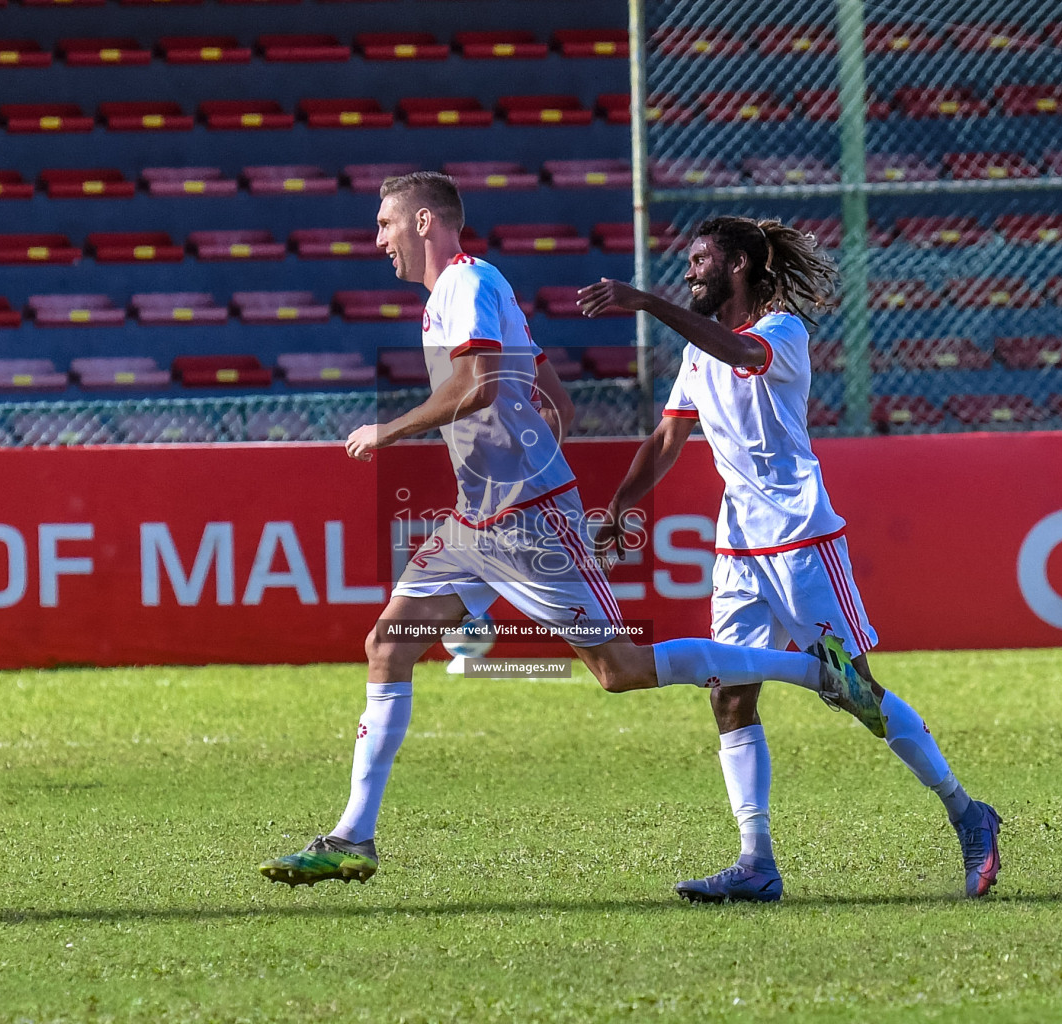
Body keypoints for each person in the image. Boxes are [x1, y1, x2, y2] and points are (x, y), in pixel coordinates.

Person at [260, 175, 881, 891]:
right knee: (388, 642)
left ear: (424, 221)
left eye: (384, 223)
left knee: (619, 671)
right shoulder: (463, 295)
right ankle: (353, 837)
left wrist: (392, 432)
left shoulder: (467, 285)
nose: (378, 240)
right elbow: (555, 402)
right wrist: (520, 453)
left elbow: (480, 386)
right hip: (479, 516)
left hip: (526, 519)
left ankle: (813, 670)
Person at [577, 216, 1002, 901]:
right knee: (730, 697)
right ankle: (756, 861)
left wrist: (650, 304)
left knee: (857, 695)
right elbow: (667, 437)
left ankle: (969, 813)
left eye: (699, 261)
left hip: (802, 540)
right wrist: (623, 502)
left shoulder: (781, 332)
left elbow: (740, 354)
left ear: (738, 263)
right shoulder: (697, 346)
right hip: (738, 547)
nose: (688, 273)